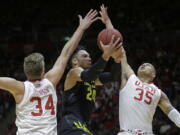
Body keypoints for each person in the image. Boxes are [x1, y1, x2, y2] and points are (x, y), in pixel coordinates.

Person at [0, 9, 99, 135]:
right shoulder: (50, 81)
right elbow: (67, 51)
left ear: (25, 72)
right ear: (43, 71)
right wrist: (81, 28)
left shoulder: (19, 88)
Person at [58, 5, 122, 135]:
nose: (89, 58)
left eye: (89, 56)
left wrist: (116, 57)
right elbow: (89, 76)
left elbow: (114, 75)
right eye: (84, 56)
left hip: (83, 126)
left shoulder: (92, 78)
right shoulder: (74, 73)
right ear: (75, 61)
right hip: (71, 124)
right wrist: (106, 55)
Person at [117, 47, 180, 135]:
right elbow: (124, 61)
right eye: (142, 65)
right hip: (127, 132)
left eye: (148, 65)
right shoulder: (130, 79)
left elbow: (171, 111)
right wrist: (119, 47)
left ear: (153, 74)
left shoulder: (159, 93)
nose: (144, 65)